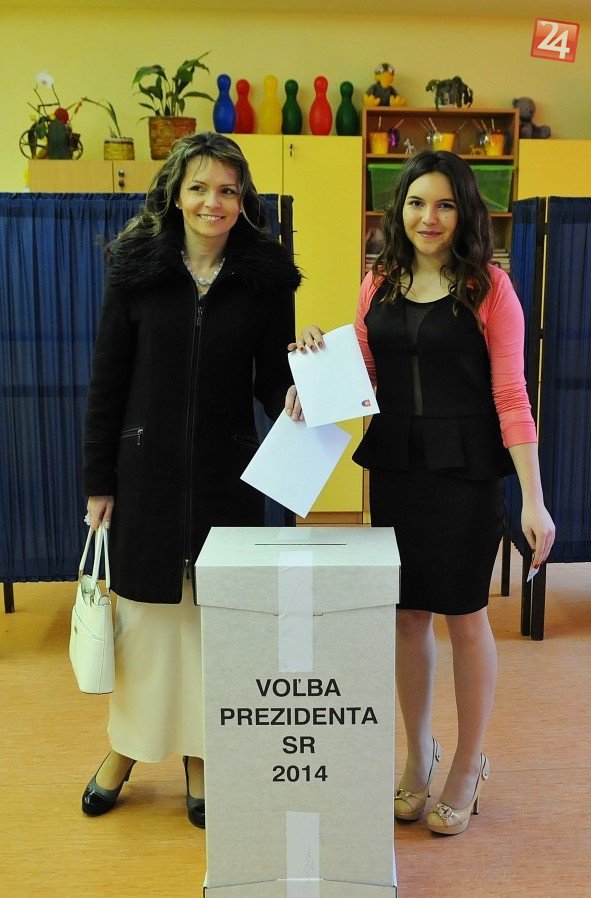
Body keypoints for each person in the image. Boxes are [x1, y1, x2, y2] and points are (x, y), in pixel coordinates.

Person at [286, 150, 555, 836]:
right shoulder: (378, 280)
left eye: (443, 204)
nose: (427, 217)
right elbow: (363, 377)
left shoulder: (489, 287)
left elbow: (511, 395)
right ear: (397, 209)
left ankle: (467, 763)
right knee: (406, 616)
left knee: (464, 616)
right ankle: (418, 755)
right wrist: (315, 361)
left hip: (466, 471)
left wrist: (533, 498)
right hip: (397, 465)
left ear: (464, 212)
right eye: (415, 202)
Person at [82, 132, 301, 827]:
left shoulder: (265, 280)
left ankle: (201, 757)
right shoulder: (136, 271)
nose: (214, 202)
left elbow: (273, 383)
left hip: (225, 479)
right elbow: (108, 381)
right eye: (200, 187)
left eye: (228, 190)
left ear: (244, 201)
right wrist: (98, 482)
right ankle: (125, 750)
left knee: (213, 626)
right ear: (176, 193)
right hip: (144, 476)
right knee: (145, 627)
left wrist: (305, 377)